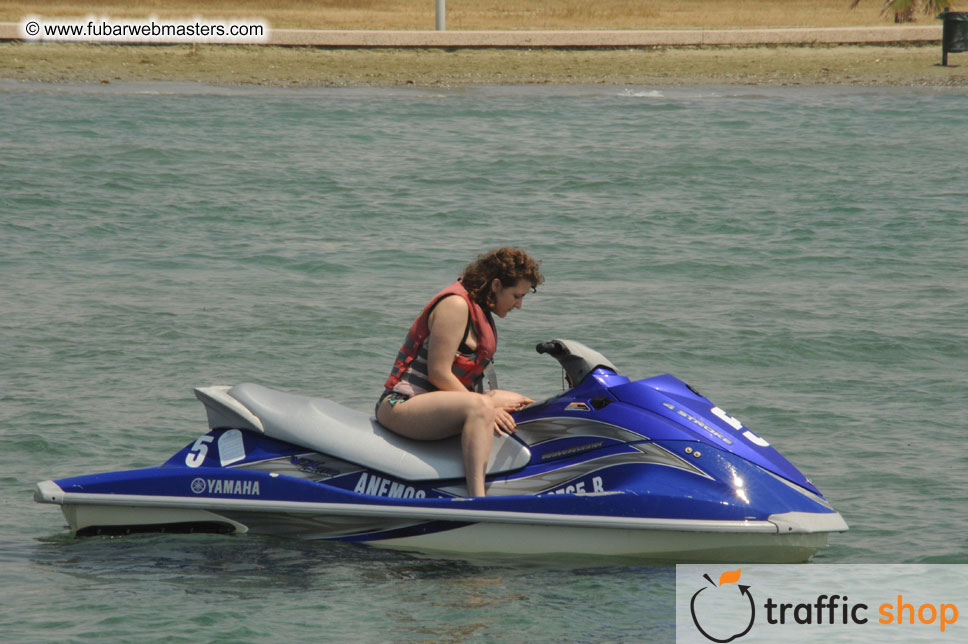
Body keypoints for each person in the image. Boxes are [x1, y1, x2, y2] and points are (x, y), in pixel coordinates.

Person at [376, 247, 544, 497]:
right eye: (516, 296)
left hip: (440, 401)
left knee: (518, 401)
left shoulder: (480, 307)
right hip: (403, 404)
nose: (519, 305)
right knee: (483, 408)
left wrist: (494, 403)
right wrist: (486, 406)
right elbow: (439, 374)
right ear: (496, 285)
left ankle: (530, 474)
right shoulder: (455, 305)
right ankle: (477, 499)